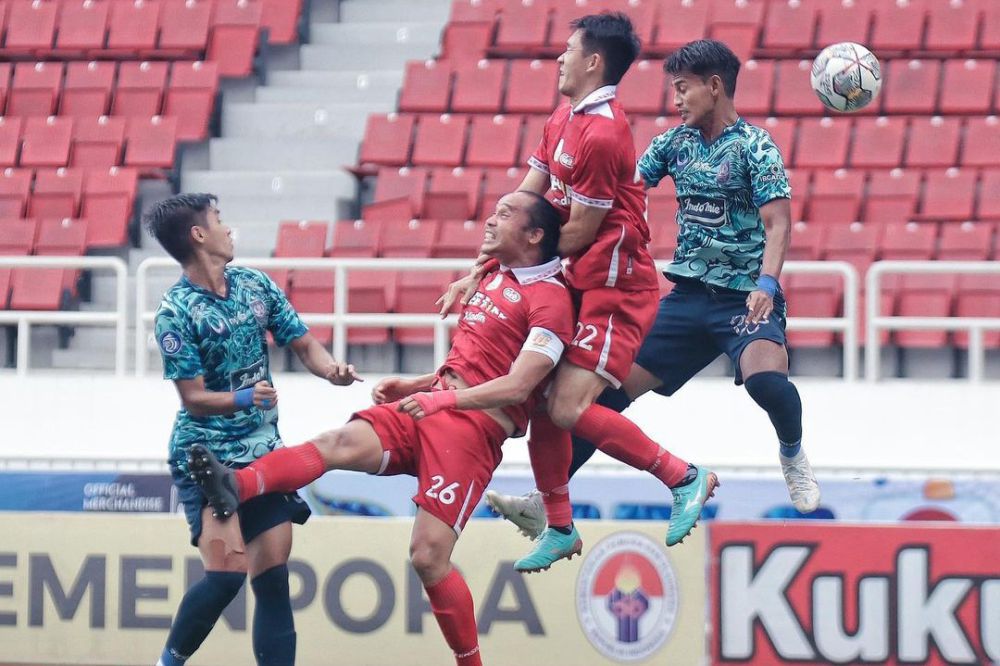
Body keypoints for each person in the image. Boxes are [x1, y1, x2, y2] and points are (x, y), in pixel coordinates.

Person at [185, 191, 575, 666]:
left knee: (428, 557)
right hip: (430, 404)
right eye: (494, 210)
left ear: (535, 235)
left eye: (506, 214)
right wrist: (419, 384)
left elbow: (518, 386)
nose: (491, 220)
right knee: (336, 442)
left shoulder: (551, 301)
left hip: (470, 433)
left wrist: (440, 398)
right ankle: (235, 485)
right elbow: (472, 364)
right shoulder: (492, 275)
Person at [486, 39, 820, 542]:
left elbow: (778, 224)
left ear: (714, 87)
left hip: (743, 299)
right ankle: (546, 502)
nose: (676, 100)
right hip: (686, 301)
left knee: (765, 383)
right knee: (601, 400)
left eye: (683, 89)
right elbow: (621, 190)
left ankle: (792, 451)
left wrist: (768, 284)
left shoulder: (756, 147)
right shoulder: (674, 143)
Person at [441, 13, 718, 573]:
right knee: (546, 402)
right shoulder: (565, 117)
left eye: (568, 51)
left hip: (615, 288)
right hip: (577, 279)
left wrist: (506, 266)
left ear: (594, 62)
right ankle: (560, 527)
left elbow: (578, 233)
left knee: (567, 406)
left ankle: (684, 477)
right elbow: (524, 204)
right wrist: (483, 266)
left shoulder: (603, 132)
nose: (559, 59)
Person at [148, 193, 361, 666]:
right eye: (220, 221)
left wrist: (332, 371)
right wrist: (246, 397)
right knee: (226, 577)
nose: (229, 229)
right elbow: (193, 399)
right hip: (207, 456)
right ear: (199, 235)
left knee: (273, 578)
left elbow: (303, 343)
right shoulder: (176, 313)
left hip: (264, 451)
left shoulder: (254, 284)